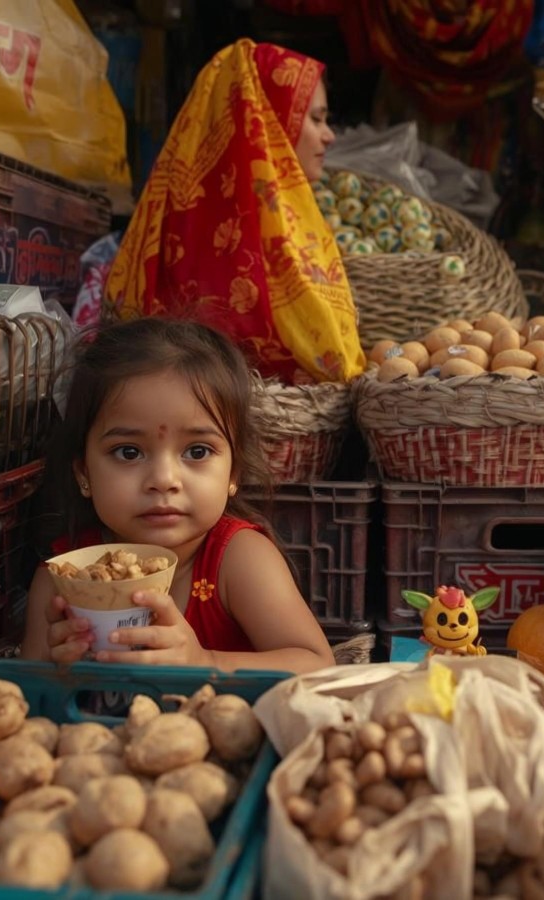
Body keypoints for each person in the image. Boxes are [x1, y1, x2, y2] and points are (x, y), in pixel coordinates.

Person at [21, 318, 335, 673]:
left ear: (233, 474)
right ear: (83, 473)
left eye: (197, 452)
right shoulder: (62, 580)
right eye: (128, 452)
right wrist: (58, 666)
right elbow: (27, 693)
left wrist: (205, 661)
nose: (164, 480)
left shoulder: (238, 560)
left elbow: (317, 665)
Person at [105, 39, 364, 385]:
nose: (329, 135)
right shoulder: (224, 239)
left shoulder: (284, 220)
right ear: (267, 121)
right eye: (316, 118)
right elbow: (330, 364)